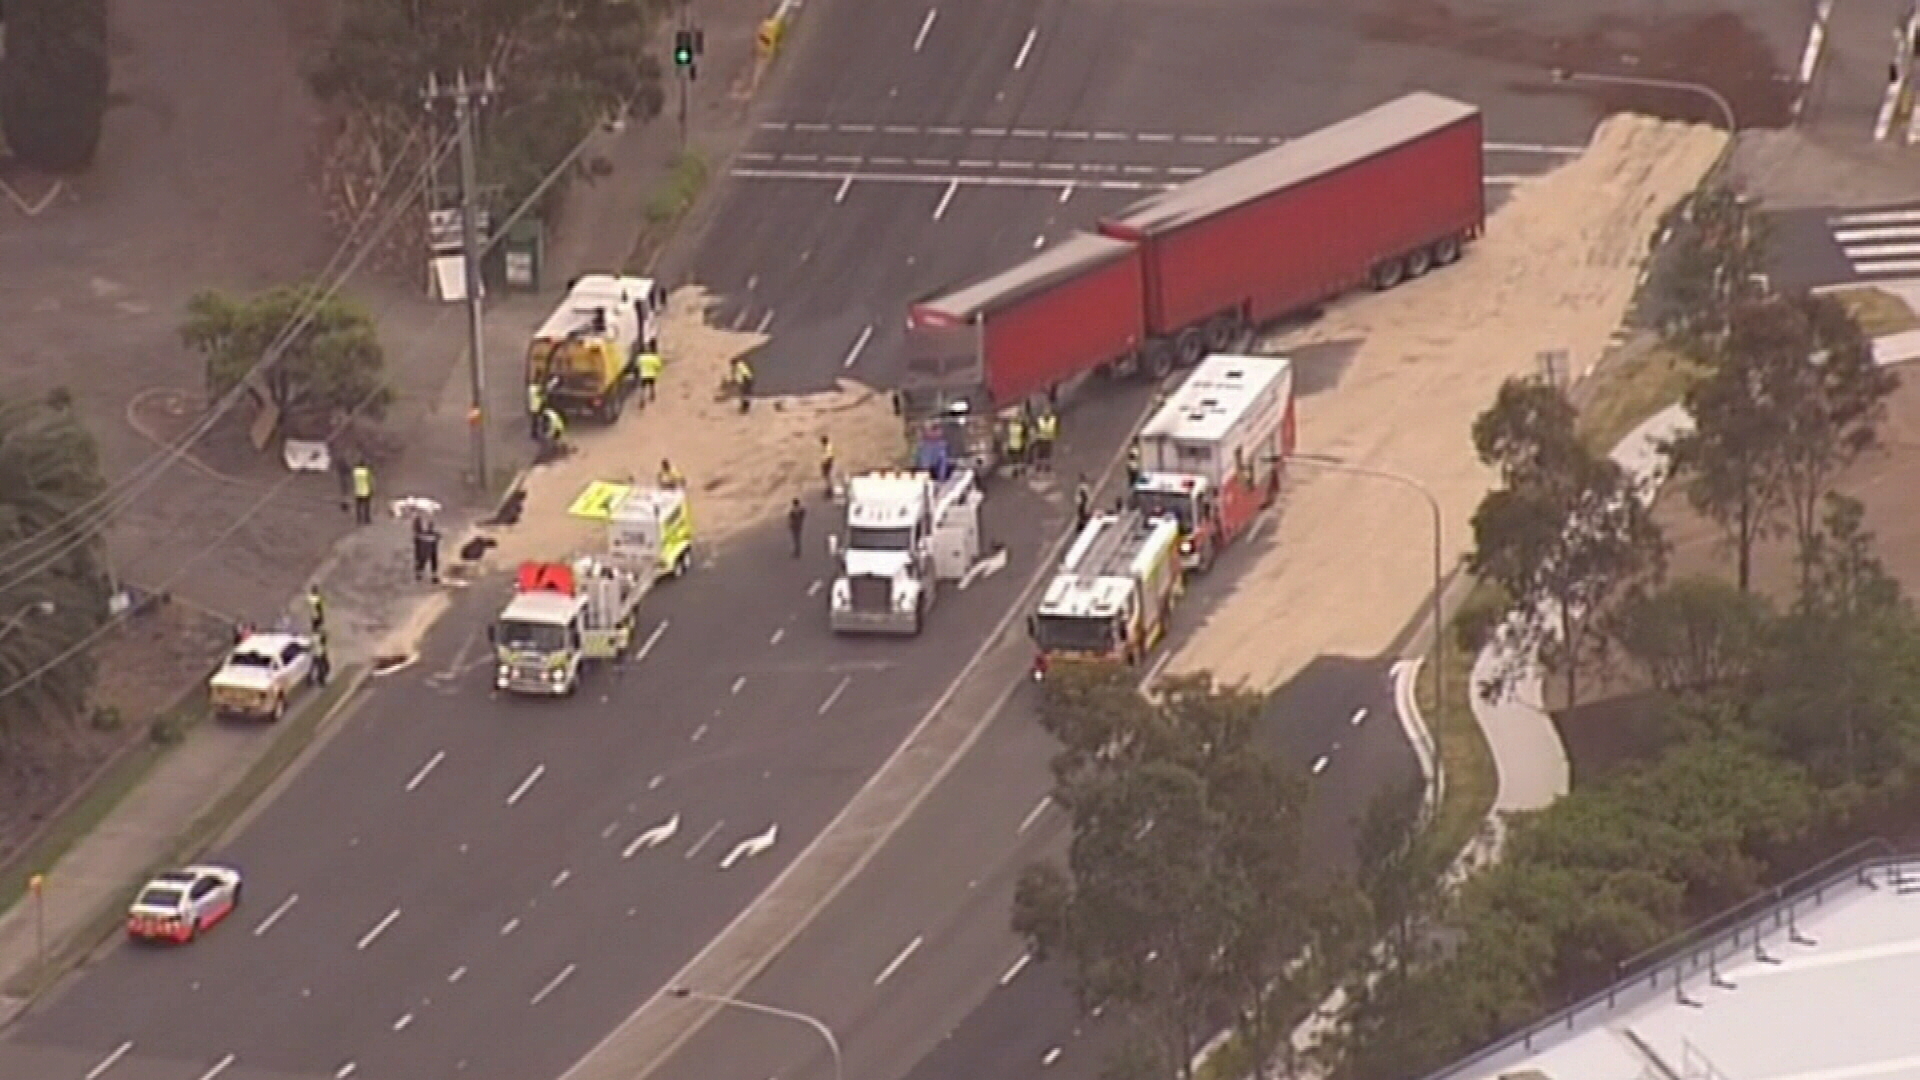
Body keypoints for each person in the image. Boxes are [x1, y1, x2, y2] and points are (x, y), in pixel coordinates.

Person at [412, 516, 442, 584]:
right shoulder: (421, 535)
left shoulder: (421, 534)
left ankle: (423, 575)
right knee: (426, 560)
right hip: (426, 549)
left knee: (426, 560)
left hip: (427, 548)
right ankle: (423, 575)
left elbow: (437, 537)